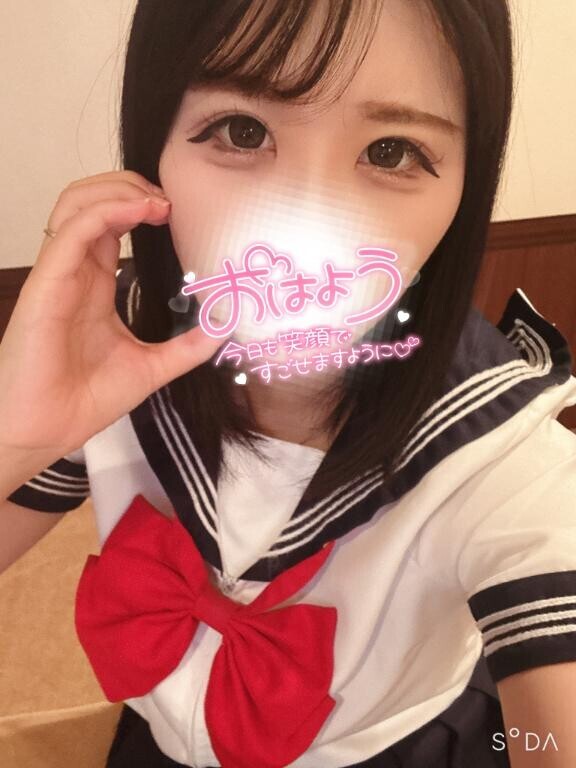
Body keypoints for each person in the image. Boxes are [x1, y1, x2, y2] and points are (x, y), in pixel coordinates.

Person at [1, 1, 576, 766]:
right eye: (242, 131)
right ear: (152, 155)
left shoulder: (502, 457)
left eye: (393, 150)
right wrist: (16, 435)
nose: (306, 226)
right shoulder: (112, 344)